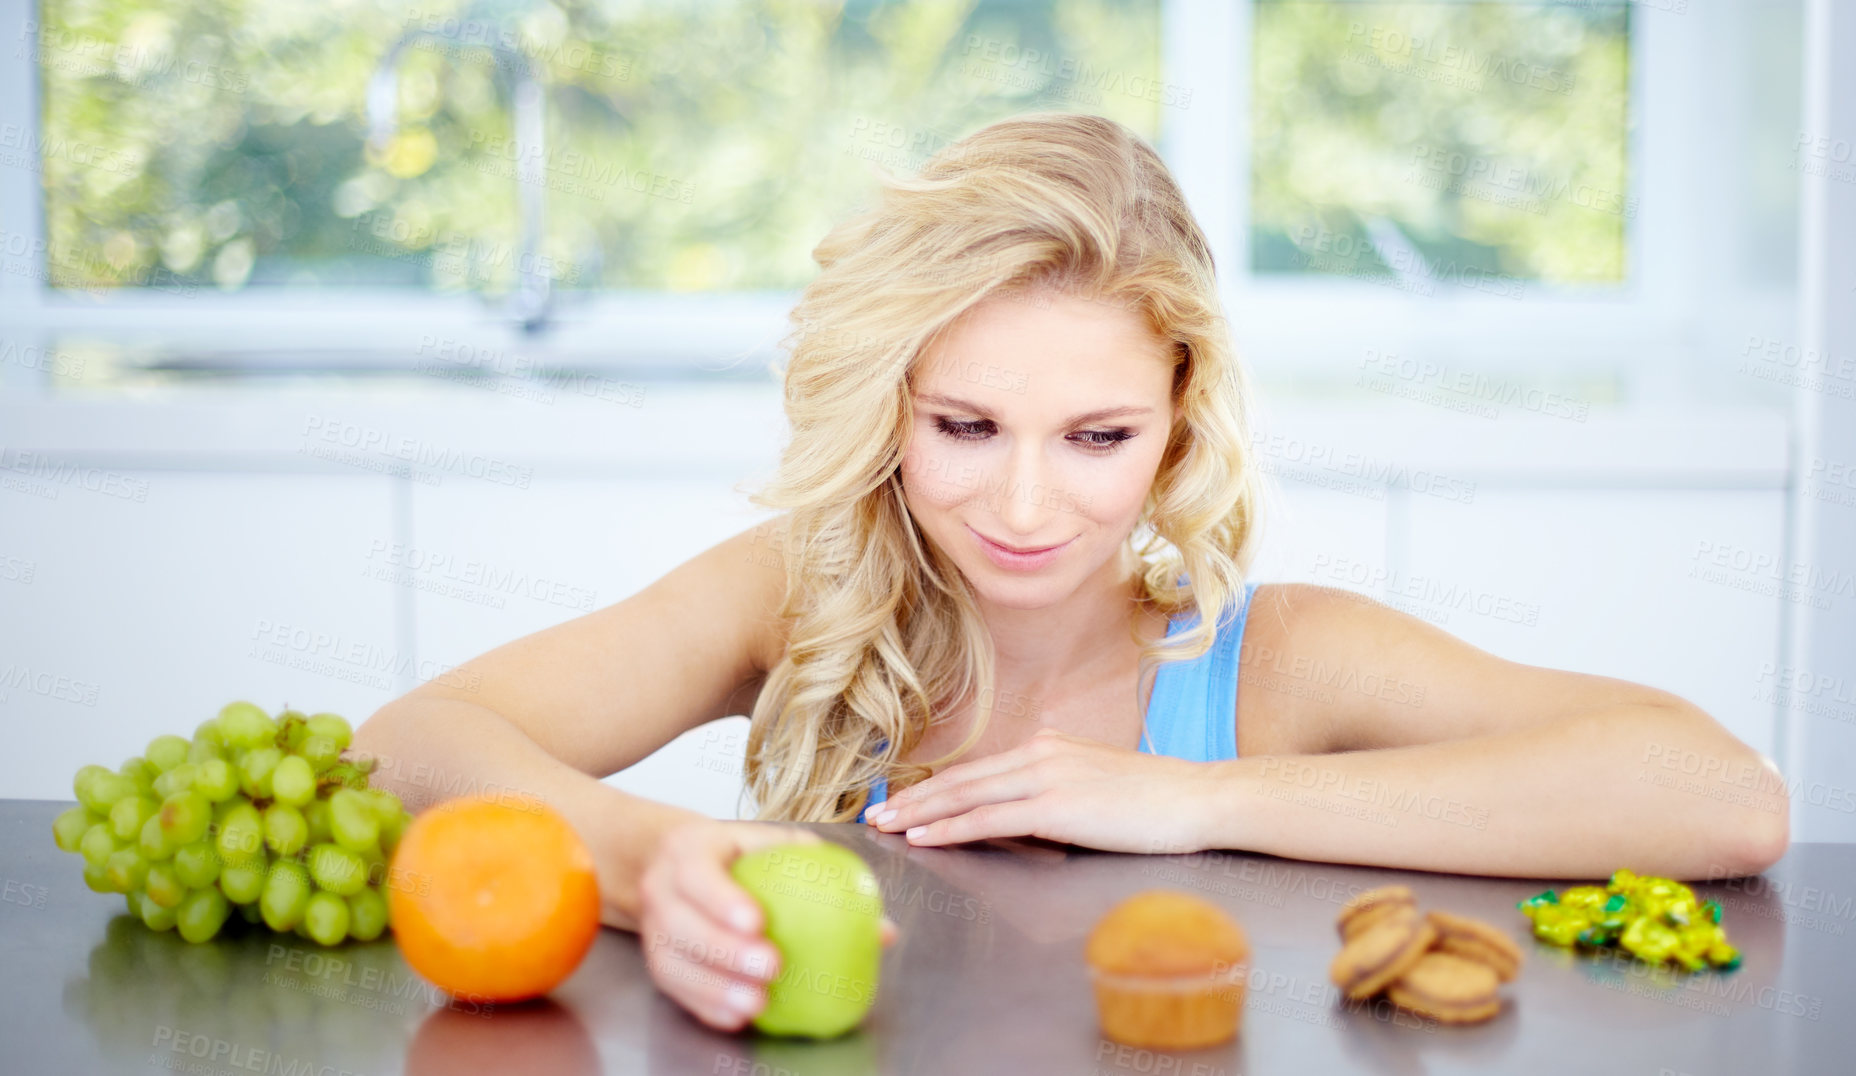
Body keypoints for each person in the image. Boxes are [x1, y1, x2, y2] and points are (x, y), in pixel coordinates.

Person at [351, 113, 1787, 1031]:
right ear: (887, 409)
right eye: (965, 426)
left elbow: (1724, 798)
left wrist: (1199, 801)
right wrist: (655, 859)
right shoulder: (797, 601)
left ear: (1176, 426)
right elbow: (402, 749)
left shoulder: (1274, 661)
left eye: (1098, 436)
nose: (1026, 504)